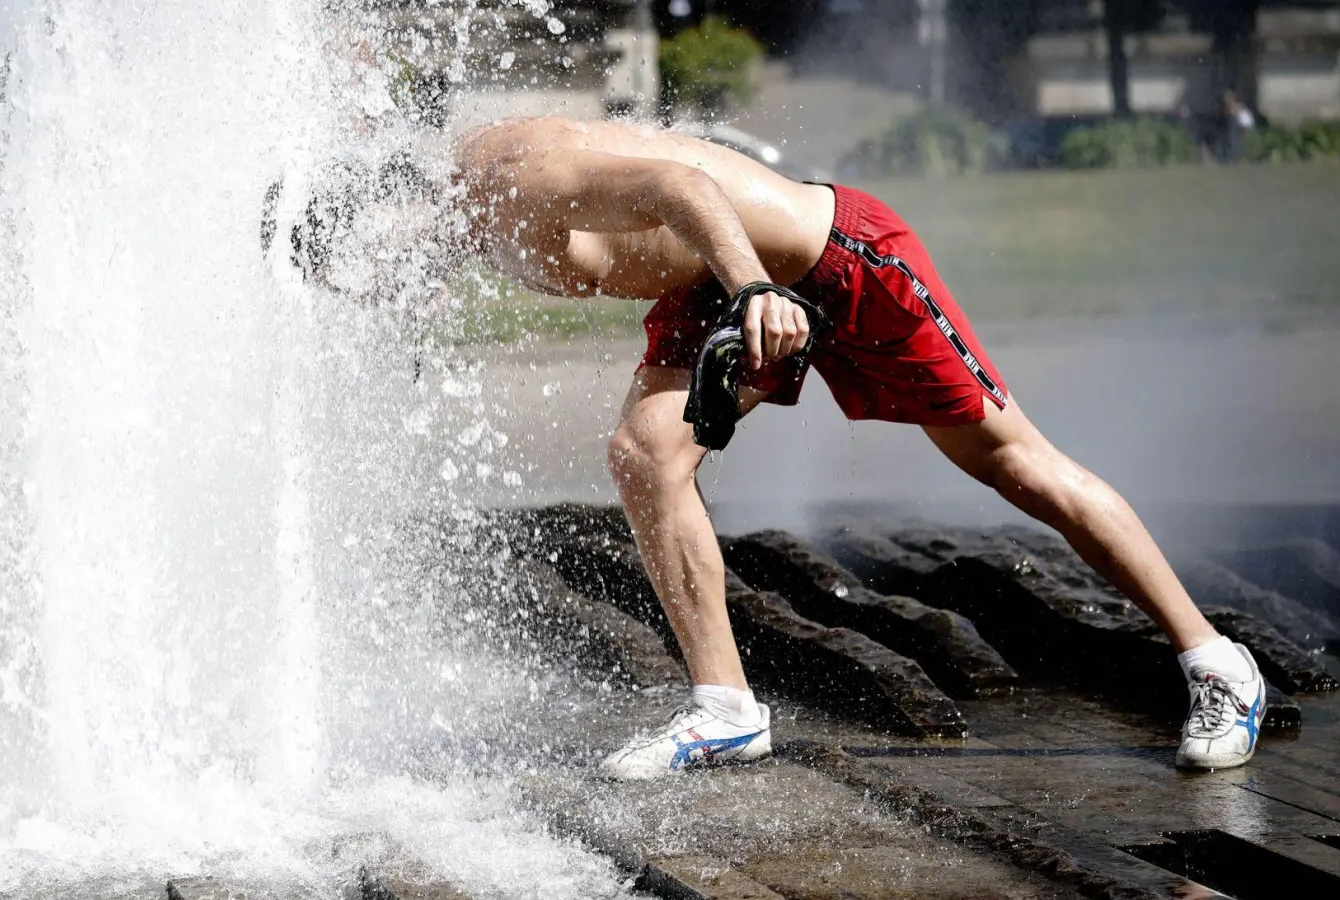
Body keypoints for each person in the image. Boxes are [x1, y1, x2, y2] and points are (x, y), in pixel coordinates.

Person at [439, 115, 1269, 779]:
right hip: (711, 289)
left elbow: (677, 181)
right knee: (643, 454)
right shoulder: (455, 221)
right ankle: (725, 711)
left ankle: (1218, 664)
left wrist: (754, 288)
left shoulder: (508, 176)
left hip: (831, 261)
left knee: (1012, 463)